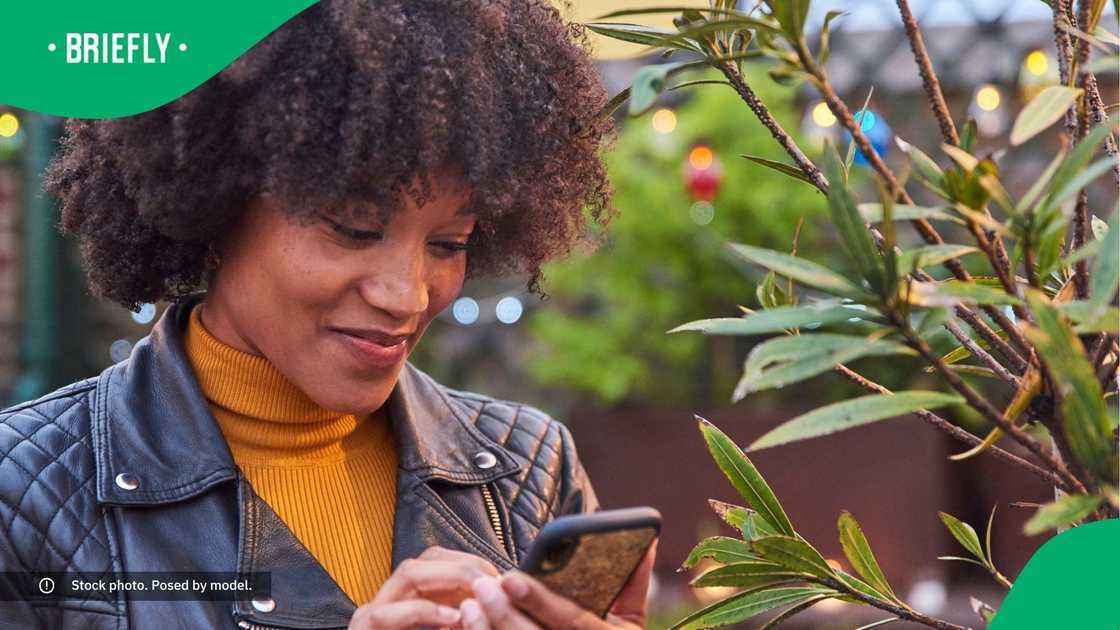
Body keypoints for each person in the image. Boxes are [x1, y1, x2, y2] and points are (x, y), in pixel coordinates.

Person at [0, 2, 657, 628]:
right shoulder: (25, 493)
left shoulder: (528, 470)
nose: (407, 296)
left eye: (448, 244)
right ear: (219, 204)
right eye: (353, 229)